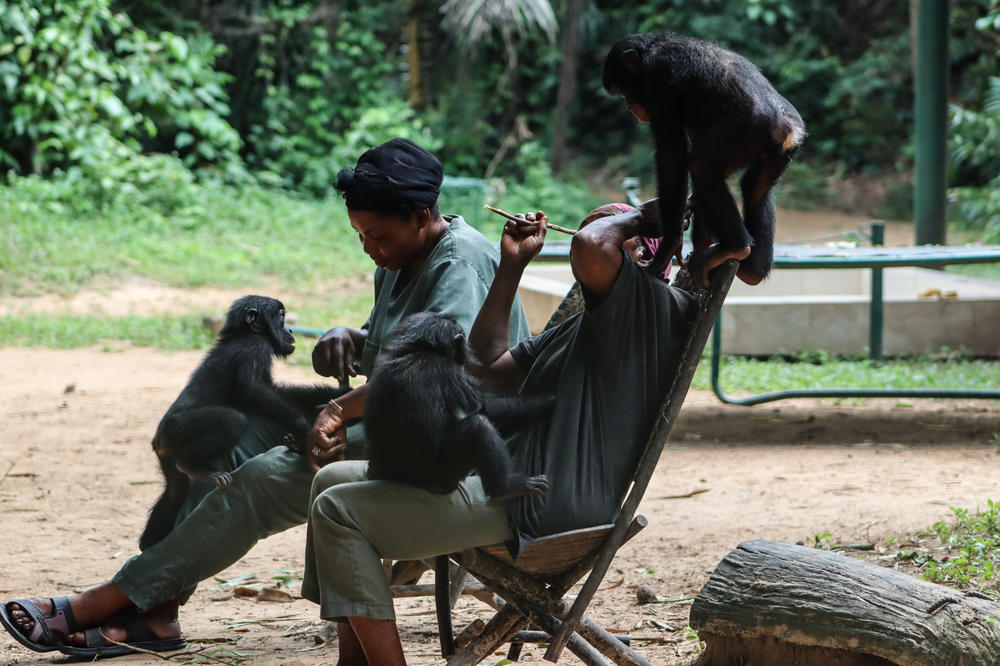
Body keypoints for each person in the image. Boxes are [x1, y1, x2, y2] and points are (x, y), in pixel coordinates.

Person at [0, 137, 531, 658]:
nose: (369, 247)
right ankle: (157, 609)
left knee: (262, 477)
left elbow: (433, 376)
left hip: (443, 448)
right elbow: (395, 346)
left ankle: (116, 598)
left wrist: (337, 409)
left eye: (378, 236)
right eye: (361, 236)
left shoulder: (458, 263)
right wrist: (352, 337)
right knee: (224, 443)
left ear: (421, 216)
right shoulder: (400, 259)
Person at [295, 200, 698, 664]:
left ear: (643, 254)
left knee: (338, 511)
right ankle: (356, 659)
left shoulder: (648, 310)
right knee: (330, 480)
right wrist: (511, 267)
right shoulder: (588, 324)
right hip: (515, 481)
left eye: (610, 235)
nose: (580, 255)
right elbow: (486, 369)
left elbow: (591, 245)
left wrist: (651, 218)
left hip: (545, 504)